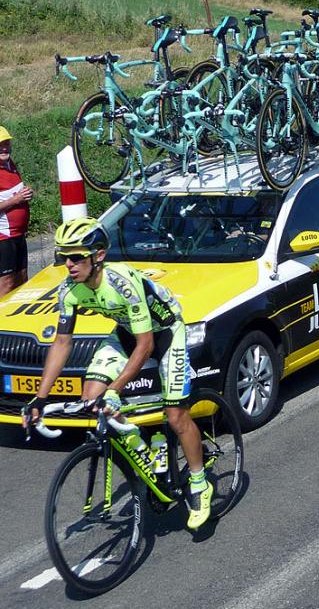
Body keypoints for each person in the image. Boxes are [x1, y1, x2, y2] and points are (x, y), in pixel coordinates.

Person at [22, 217, 214, 530]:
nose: (68, 264)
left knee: (176, 416)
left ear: (98, 255)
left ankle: (199, 484)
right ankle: (143, 449)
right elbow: (62, 342)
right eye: (62, 257)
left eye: (75, 257)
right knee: (91, 397)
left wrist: (117, 388)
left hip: (165, 333)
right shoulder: (70, 290)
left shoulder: (123, 282)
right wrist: (40, 398)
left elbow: (146, 345)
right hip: (126, 331)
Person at [0, 126, 33, 298]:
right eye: (0, 145)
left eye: (6, 143)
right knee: (7, 284)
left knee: (22, 280)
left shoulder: (9, 165)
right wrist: (16, 200)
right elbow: (13, 199)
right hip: (4, 237)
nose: (4, 148)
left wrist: (25, 195)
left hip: (18, 234)